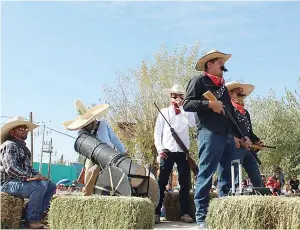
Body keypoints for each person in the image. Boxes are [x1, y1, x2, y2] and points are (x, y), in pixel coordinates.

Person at [183, 50, 251, 228]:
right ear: (209, 65)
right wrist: (209, 104)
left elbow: (231, 115)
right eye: (219, 61)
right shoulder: (199, 81)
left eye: (223, 61)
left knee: (226, 179)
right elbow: (187, 104)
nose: (223, 64)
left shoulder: (223, 88)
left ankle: (222, 217)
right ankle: (202, 218)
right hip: (209, 133)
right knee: (205, 176)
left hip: (228, 136)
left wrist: (243, 136)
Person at [0, 116, 56, 229]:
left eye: (25, 129)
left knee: (51, 185)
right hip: (7, 184)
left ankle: (36, 215)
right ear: (12, 132)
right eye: (21, 128)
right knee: (38, 186)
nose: (25, 131)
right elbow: (11, 168)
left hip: (18, 182)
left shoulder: (23, 149)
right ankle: (32, 220)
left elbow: (29, 168)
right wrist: (32, 177)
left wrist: (38, 175)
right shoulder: (9, 145)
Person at [63, 100, 127, 195]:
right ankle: (88, 193)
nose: (87, 125)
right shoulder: (81, 133)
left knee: (118, 170)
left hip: (109, 155)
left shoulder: (103, 125)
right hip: (92, 157)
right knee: (89, 168)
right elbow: (82, 146)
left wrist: (123, 151)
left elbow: (114, 138)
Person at [154, 84, 196, 224]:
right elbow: (157, 132)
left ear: (183, 97)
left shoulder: (188, 112)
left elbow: (193, 124)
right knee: (162, 182)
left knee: (185, 183)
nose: (177, 98)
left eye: (180, 95)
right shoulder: (164, 112)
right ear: (170, 97)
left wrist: (182, 109)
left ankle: (184, 213)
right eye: (174, 95)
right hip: (167, 150)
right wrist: (159, 149)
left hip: (182, 152)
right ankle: (156, 212)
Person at [226, 81, 263, 187]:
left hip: (248, 148)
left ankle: (258, 196)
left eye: (241, 91)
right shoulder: (228, 109)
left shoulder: (246, 112)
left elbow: (249, 131)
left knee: (256, 176)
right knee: (235, 178)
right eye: (237, 91)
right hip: (236, 146)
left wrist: (256, 140)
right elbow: (226, 127)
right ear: (230, 94)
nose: (241, 92)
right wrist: (234, 138)